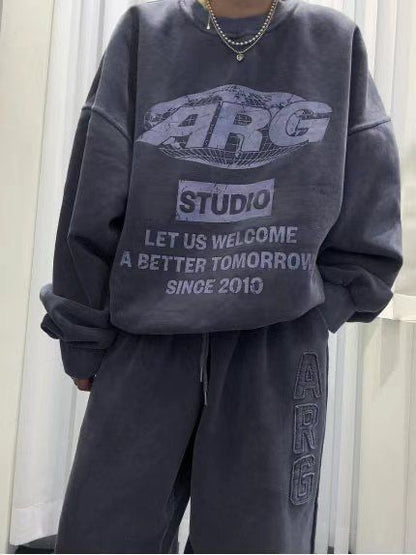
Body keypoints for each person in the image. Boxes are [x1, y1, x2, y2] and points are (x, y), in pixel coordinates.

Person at [39, 0, 403, 552]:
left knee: (256, 543)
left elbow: (370, 198)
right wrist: (83, 334)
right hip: (146, 343)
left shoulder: (332, 41)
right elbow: (92, 190)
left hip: (274, 350)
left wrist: (316, 307)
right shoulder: (146, 32)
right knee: (103, 536)